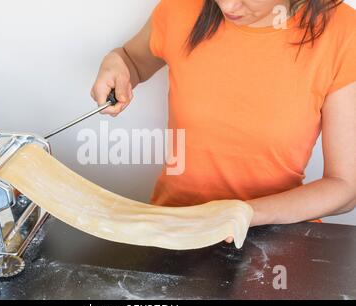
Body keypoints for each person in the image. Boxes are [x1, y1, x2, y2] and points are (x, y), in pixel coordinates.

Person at [90, 0, 356, 229]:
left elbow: (345, 187)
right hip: (175, 228)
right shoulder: (182, 8)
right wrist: (116, 64)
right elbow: (131, 60)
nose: (227, 6)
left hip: (277, 236)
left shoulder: (341, 31)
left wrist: (244, 214)